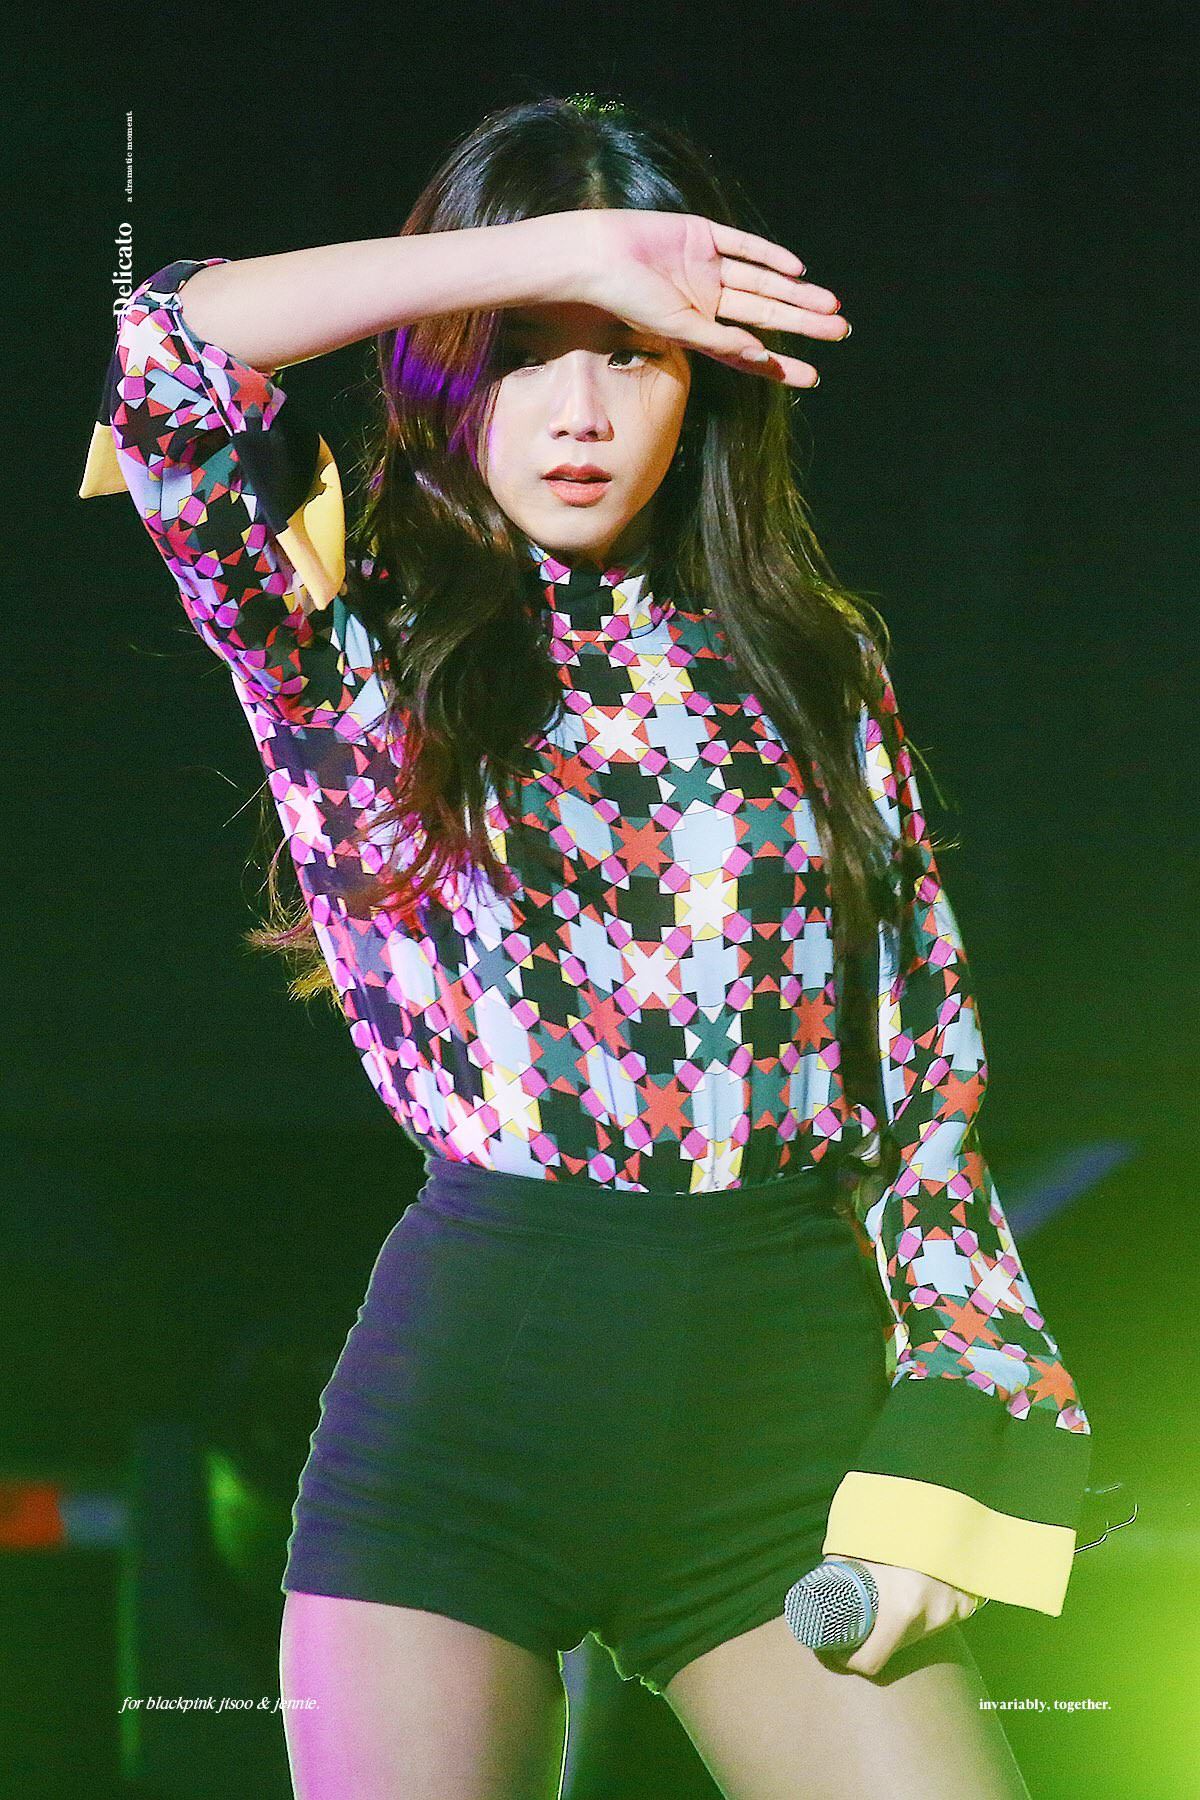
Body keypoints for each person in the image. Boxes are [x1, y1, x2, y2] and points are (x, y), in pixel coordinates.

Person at [80, 92, 1091, 1800]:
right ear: (445, 365)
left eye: (632, 354)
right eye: (524, 351)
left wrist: (950, 1438)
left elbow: (929, 1098)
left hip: (782, 1433)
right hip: (469, 1426)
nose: (580, 411)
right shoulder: (351, 627)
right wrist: (555, 247)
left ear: (705, 382)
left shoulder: (813, 663)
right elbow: (164, 362)